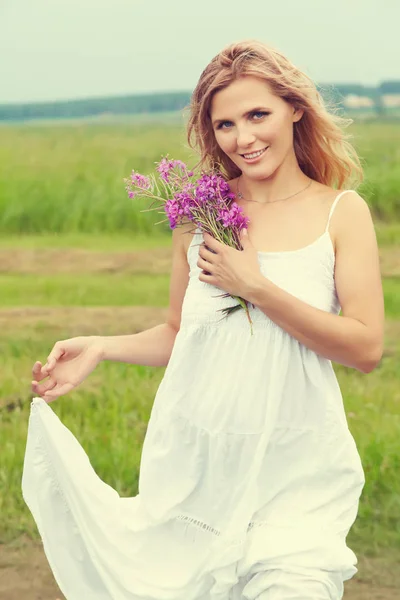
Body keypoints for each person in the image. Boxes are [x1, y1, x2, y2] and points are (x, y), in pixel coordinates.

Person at [23, 40, 384, 600]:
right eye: (225, 124)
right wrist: (101, 345)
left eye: (257, 114)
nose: (244, 138)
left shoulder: (340, 212)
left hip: (295, 471)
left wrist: (256, 287)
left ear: (295, 108)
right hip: (197, 467)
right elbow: (180, 331)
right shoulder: (200, 214)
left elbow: (365, 349)